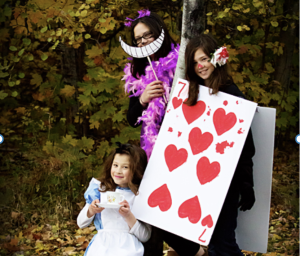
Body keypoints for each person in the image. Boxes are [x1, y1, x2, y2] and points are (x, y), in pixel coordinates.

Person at [123, 9, 205, 256]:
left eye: (147, 35)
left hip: (188, 148)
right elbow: (131, 120)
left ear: (158, 33)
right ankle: (196, 253)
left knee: (182, 209)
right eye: (137, 39)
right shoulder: (139, 73)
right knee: (153, 211)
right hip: (156, 154)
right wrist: (144, 100)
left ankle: (195, 251)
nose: (143, 41)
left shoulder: (182, 62)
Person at [184, 34, 256, 256]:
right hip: (196, 180)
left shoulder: (232, 95)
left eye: (204, 59)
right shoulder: (190, 94)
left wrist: (246, 183)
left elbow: (246, 146)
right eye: (195, 62)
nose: (201, 66)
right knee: (211, 243)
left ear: (216, 59)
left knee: (223, 243)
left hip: (225, 181)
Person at [77, 143, 151, 256]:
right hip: (102, 247)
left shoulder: (139, 196)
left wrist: (128, 216)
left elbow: (145, 236)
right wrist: (91, 210)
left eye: (125, 167)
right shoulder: (100, 190)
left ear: (136, 169)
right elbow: (81, 223)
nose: (118, 171)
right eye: (115, 165)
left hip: (128, 249)